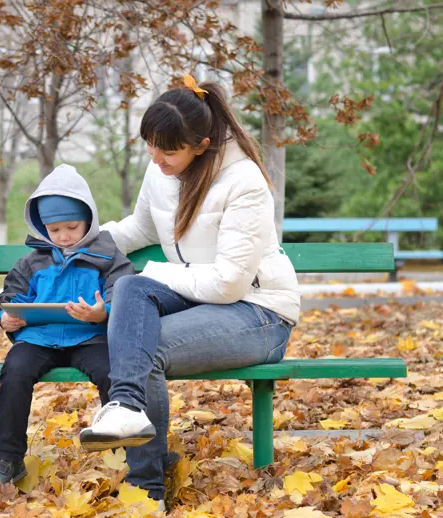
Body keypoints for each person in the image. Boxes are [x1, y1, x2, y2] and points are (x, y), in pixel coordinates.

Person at [79, 75, 301, 508]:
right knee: (130, 288)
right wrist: (80, 240)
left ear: (201, 144)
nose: (155, 157)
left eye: (168, 150)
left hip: (258, 311)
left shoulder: (245, 182)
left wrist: (161, 270)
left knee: (147, 346)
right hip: (200, 293)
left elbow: (228, 283)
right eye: (150, 144)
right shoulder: (161, 169)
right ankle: (126, 407)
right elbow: (140, 228)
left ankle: (147, 491)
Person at [0, 164, 135, 488]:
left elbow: (123, 289)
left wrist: (103, 312)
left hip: (90, 337)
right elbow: (9, 295)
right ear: (43, 227)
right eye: (55, 230)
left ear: (89, 221)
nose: (64, 236)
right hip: (39, 338)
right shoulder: (33, 260)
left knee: (115, 372)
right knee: (15, 370)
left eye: (72, 226)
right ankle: (7, 457)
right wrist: (6, 317)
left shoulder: (106, 254)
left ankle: (127, 454)